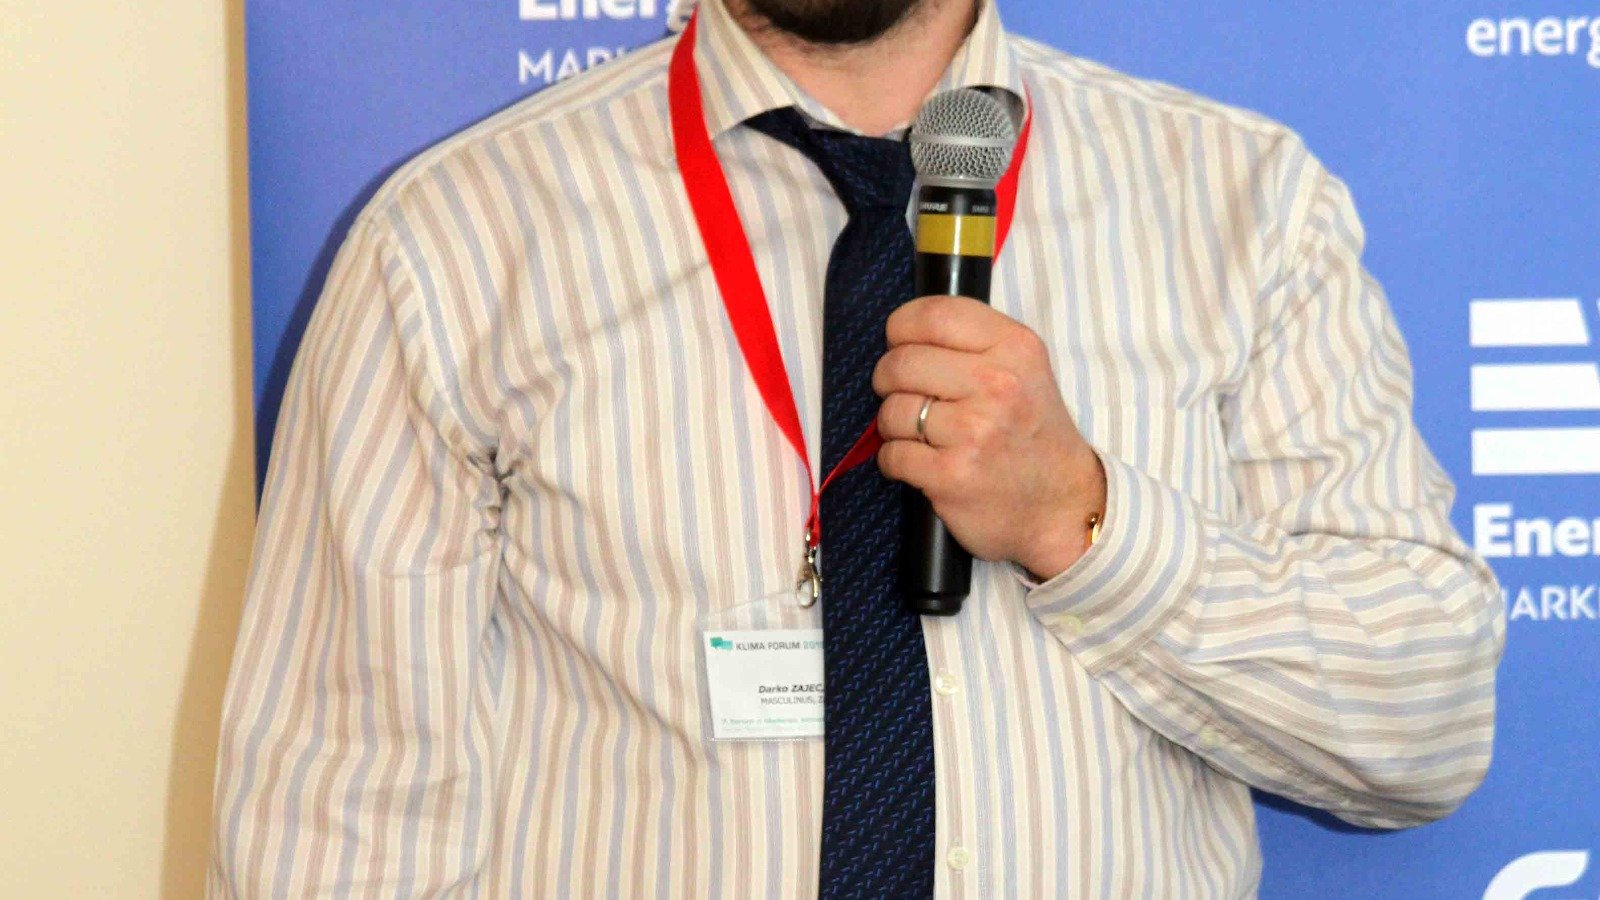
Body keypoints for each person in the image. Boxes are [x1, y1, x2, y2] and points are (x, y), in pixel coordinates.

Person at [209, 0, 1506, 896]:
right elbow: (337, 818)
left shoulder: (1241, 202)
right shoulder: (453, 240)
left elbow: (1426, 727)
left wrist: (1080, 521)